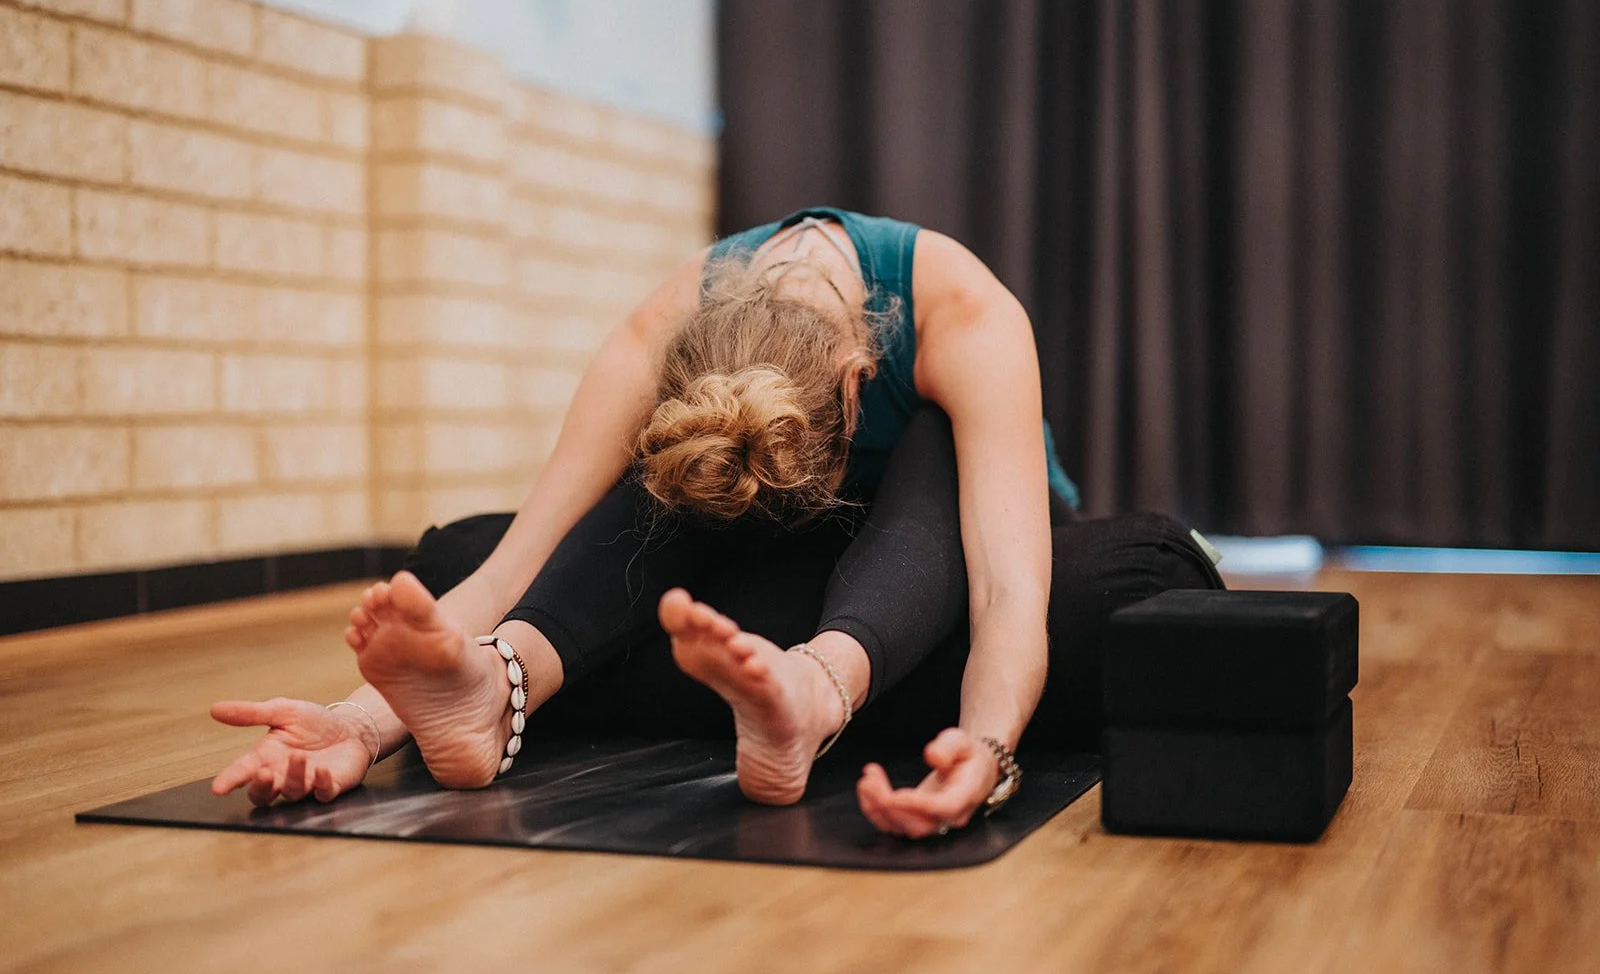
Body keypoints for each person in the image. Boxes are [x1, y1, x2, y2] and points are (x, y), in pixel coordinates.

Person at [209, 207, 1222, 838]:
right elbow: (526, 552)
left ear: (858, 384)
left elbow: (1007, 595)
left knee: (932, 451)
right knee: (508, 534)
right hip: (753, 562)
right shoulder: (657, 333)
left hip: (940, 542)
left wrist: (988, 747)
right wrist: (356, 723)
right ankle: (500, 684)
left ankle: (820, 686)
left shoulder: (961, 311)